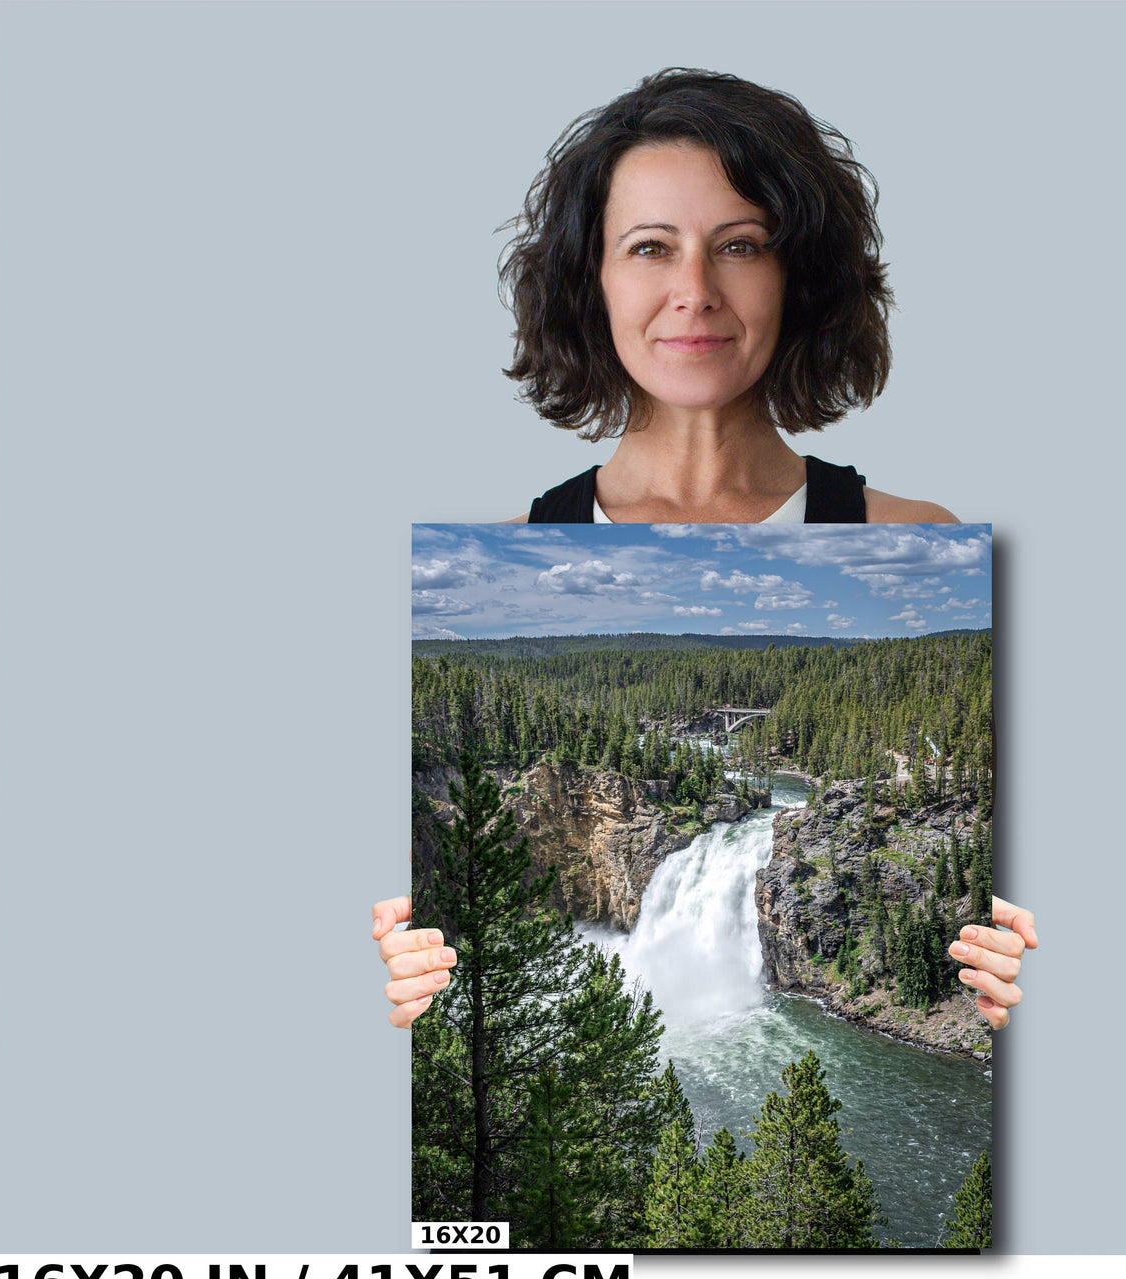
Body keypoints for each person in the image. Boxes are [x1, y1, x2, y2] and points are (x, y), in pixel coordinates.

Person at [378, 69, 1037, 1029]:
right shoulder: (513, 543)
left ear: (797, 278)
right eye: (650, 247)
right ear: (590, 280)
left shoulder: (916, 533)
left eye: (740, 246)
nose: (693, 291)